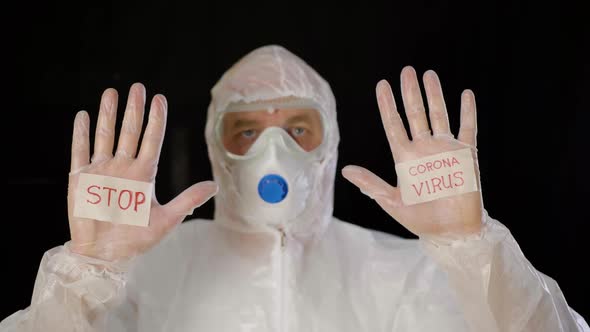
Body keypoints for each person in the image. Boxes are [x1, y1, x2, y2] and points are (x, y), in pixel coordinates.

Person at [1, 45, 587, 332]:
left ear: (329, 143)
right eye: (248, 129)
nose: (271, 150)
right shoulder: (142, 274)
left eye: (297, 128)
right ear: (215, 144)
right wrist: (86, 270)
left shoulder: (406, 272)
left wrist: (473, 244)